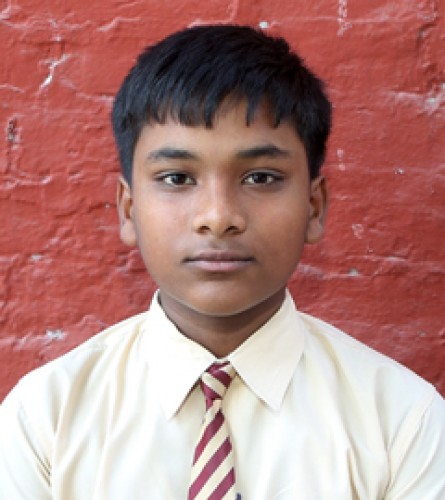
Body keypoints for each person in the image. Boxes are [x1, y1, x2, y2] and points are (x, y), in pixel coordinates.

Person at [1, 24, 444, 500]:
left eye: (260, 177)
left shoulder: (402, 424)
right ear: (128, 210)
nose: (218, 217)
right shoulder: (45, 420)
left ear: (314, 208)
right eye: (176, 178)